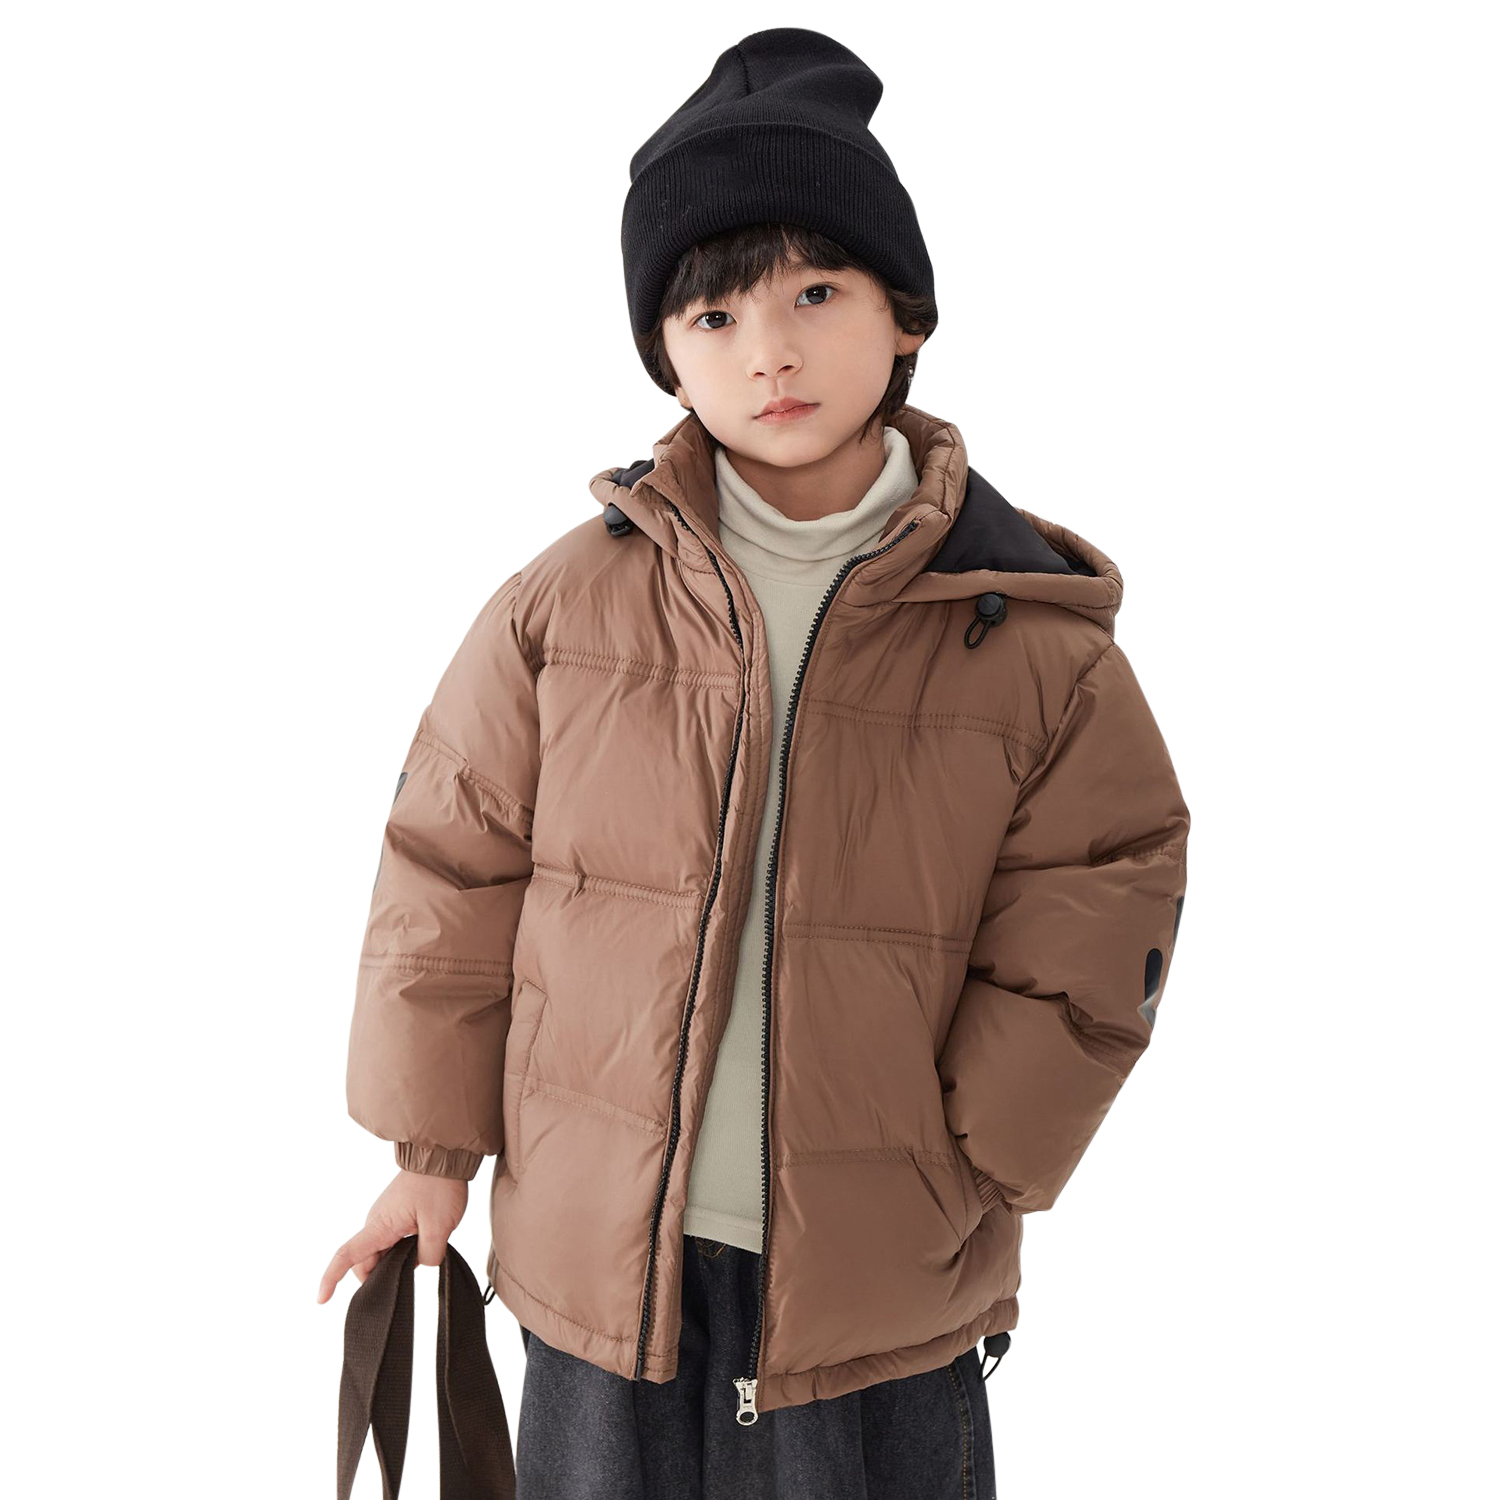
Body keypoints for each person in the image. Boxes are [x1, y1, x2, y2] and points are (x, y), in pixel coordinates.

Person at [318, 26, 1190, 1499]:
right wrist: (429, 1156)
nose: (769, 350)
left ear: (906, 317)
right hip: (605, 1267)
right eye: (715, 314)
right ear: (666, 351)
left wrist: (971, 1157)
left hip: (878, 1289)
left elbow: (1108, 886)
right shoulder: (568, 605)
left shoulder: (1025, 635)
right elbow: (450, 869)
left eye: (816, 293)